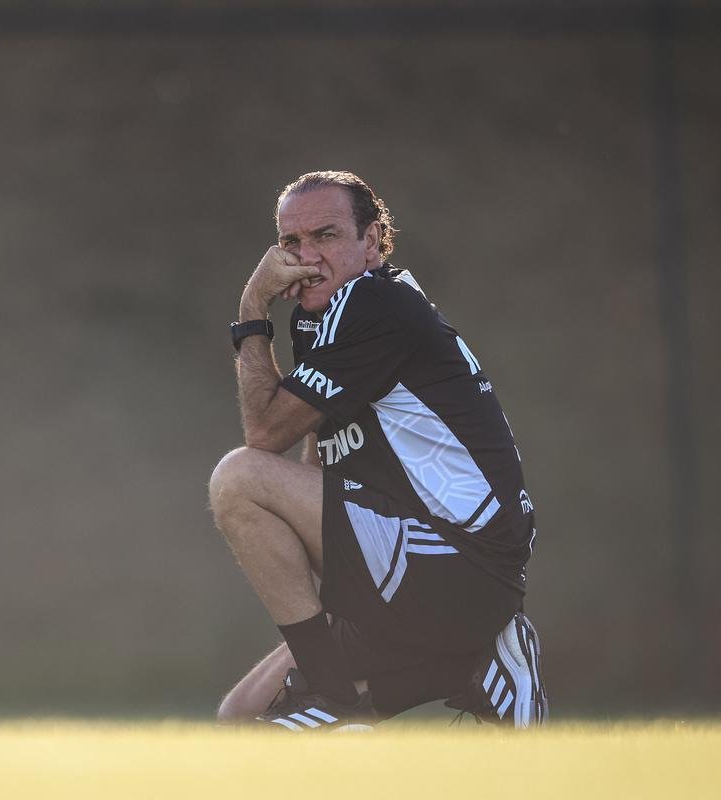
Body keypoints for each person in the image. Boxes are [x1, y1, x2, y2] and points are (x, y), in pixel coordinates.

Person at [208, 171, 548, 730]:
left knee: (239, 477)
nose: (307, 256)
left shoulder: (373, 303)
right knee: (240, 719)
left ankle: (332, 693)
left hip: (457, 562)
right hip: (407, 566)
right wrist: (338, 601)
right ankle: (477, 663)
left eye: (327, 236)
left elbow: (264, 438)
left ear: (372, 242)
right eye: (291, 243)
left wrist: (251, 305)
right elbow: (319, 461)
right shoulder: (322, 320)